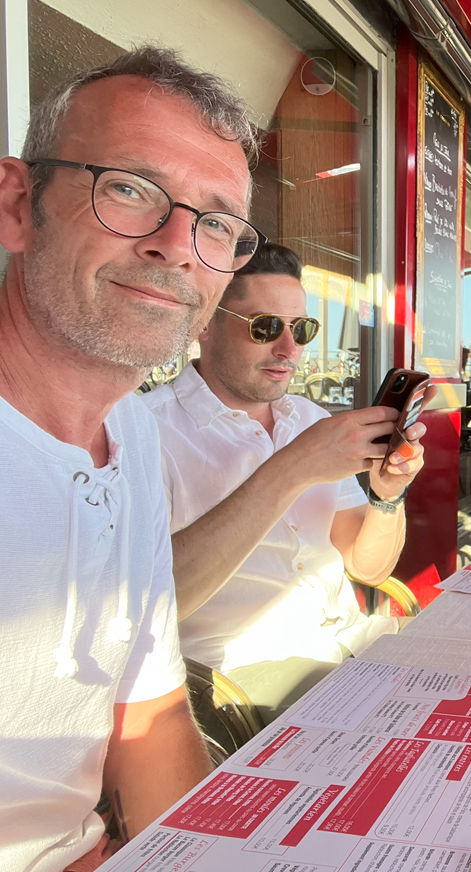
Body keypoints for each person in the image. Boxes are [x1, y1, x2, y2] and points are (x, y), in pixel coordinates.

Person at [0, 47, 254, 872]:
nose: (176, 246)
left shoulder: (130, 429)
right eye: (130, 188)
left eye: (216, 224)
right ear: (16, 205)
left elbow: (149, 717)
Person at [142, 243, 425, 722]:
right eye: (266, 326)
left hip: (354, 645)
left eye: (302, 329)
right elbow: (153, 604)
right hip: (243, 684)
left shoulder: (311, 420)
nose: (289, 349)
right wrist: (294, 467)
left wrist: (387, 496)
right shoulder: (147, 432)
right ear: (204, 323)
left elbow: (368, 568)